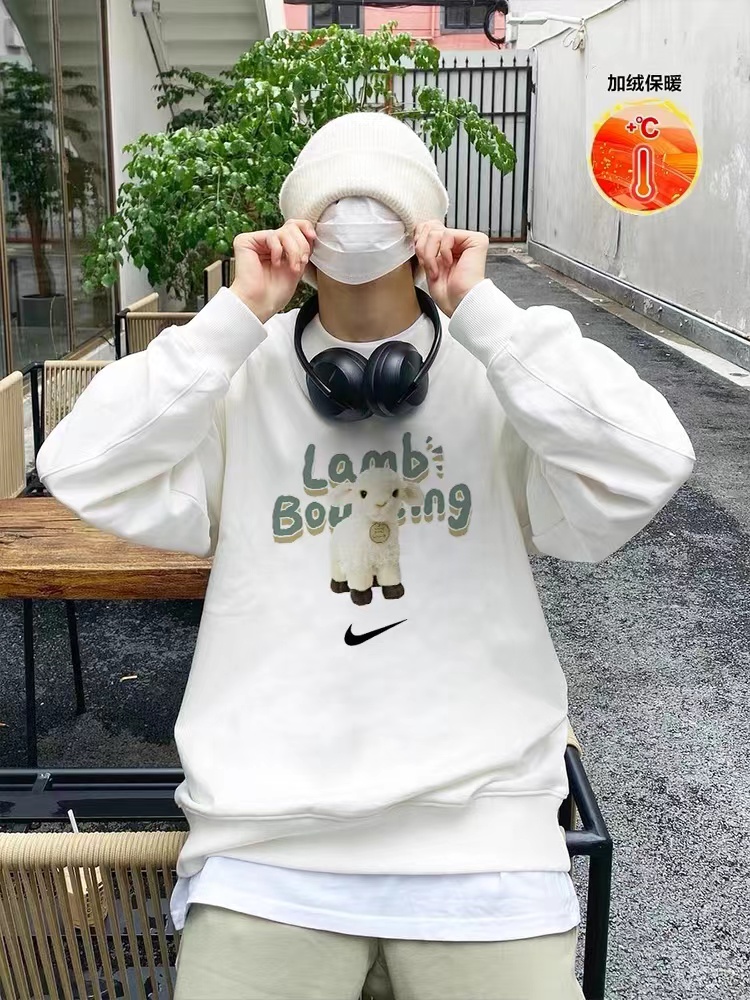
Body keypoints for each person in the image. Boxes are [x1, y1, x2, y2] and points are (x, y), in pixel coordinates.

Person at [36, 111, 695, 1000]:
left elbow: (650, 459)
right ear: (299, 233)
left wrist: (487, 316)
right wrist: (233, 318)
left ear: (428, 230)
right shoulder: (235, 375)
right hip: (266, 853)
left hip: (486, 851)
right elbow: (77, 463)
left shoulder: (503, 373)